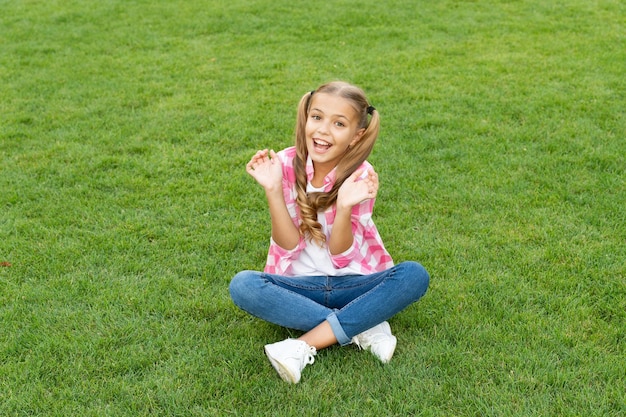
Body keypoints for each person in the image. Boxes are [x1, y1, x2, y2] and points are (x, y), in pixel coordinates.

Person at [229, 81, 429, 383]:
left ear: (355, 136)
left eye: (339, 123)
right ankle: (362, 323)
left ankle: (301, 345)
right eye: (317, 117)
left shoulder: (361, 175)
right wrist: (272, 189)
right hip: (299, 285)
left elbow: (340, 256)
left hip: (353, 281)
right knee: (243, 285)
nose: (323, 130)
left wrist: (346, 206)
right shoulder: (283, 163)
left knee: (414, 275)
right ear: (306, 118)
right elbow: (288, 247)